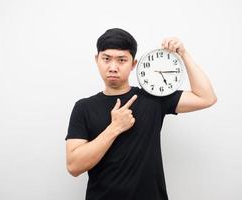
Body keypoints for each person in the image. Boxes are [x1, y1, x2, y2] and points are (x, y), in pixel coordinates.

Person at [65, 28, 217, 200]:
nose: (113, 67)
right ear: (96, 60)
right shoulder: (84, 107)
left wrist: (183, 54)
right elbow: (74, 166)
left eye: (122, 60)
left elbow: (206, 97)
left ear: (133, 64)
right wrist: (114, 128)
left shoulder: (154, 98)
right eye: (106, 59)